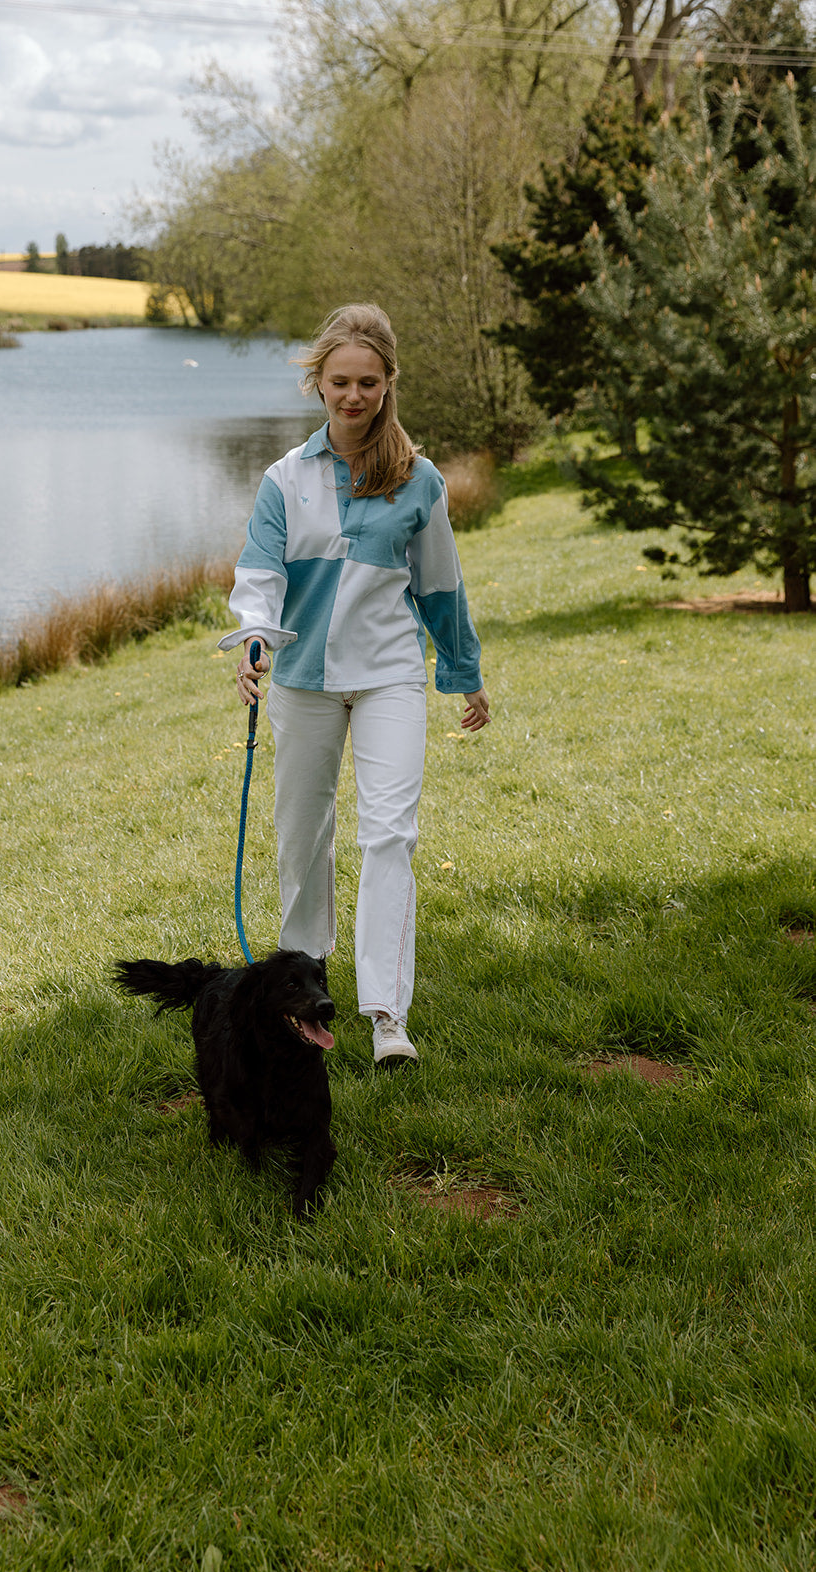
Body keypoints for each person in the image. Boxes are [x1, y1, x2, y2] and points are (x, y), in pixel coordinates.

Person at [218, 303, 490, 1067]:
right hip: (302, 682)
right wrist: (253, 639)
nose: (352, 395)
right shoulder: (285, 478)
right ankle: (300, 997)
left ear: (388, 383)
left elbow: (440, 586)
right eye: (339, 381)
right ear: (318, 382)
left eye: (367, 382)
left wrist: (463, 672)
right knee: (302, 838)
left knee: (390, 835)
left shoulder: (418, 480)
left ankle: (386, 1016)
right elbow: (260, 575)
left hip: (388, 677)